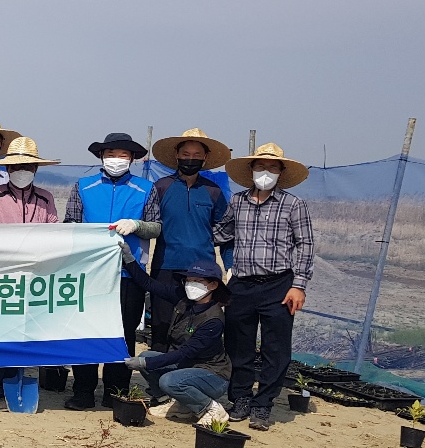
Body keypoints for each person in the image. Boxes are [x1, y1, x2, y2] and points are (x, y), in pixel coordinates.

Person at [214, 143, 314, 431]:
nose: (266, 172)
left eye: (272, 167)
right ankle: (241, 397)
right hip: (242, 284)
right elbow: (222, 233)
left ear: (281, 172)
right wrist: (192, 229)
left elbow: (305, 245)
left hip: (278, 285)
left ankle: (264, 403)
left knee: (276, 348)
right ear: (251, 170)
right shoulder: (238, 201)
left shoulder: (293, 205)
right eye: (260, 167)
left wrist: (299, 286)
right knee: (238, 344)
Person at [63, 132, 162, 410]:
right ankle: (83, 390)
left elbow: (156, 226)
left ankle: (116, 391)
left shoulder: (146, 188)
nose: (116, 159)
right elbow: (69, 223)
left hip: (128, 274)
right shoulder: (83, 186)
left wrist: (136, 225)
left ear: (132, 158)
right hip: (89, 275)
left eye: (123, 155)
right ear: (101, 157)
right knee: (85, 331)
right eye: (111, 154)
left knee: (123, 334)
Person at [0, 136, 62, 401]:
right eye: (16, 167)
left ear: (36, 170)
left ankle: (15, 378)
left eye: (27, 167)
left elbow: (54, 234)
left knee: (23, 331)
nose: (21, 172)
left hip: (33, 276)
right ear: (7, 169)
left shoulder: (46, 197)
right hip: (0, 276)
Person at [119, 244, 232, 427]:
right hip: (186, 366)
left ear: (213, 285)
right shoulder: (182, 298)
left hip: (212, 374)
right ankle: (172, 403)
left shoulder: (213, 320)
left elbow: (184, 353)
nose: (190, 285)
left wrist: (145, 364)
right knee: (147, 355)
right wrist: (130, 260)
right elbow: (149, 284)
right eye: (188, 280)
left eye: (197, 281)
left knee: (168, 379)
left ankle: (211, 409)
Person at [148, 129, 230, 354]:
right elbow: (149, 225)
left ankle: (189, 374)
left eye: (196, 154)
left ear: (205, 157)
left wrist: (229, 266)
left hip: (202, 270)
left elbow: (226, 232)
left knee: (196, 325)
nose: (190, 159)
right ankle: (157, 381)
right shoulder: (161, 187)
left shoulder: (213, 191)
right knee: (161, 324)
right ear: (176, 155)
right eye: (185, 153)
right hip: (165, 266)